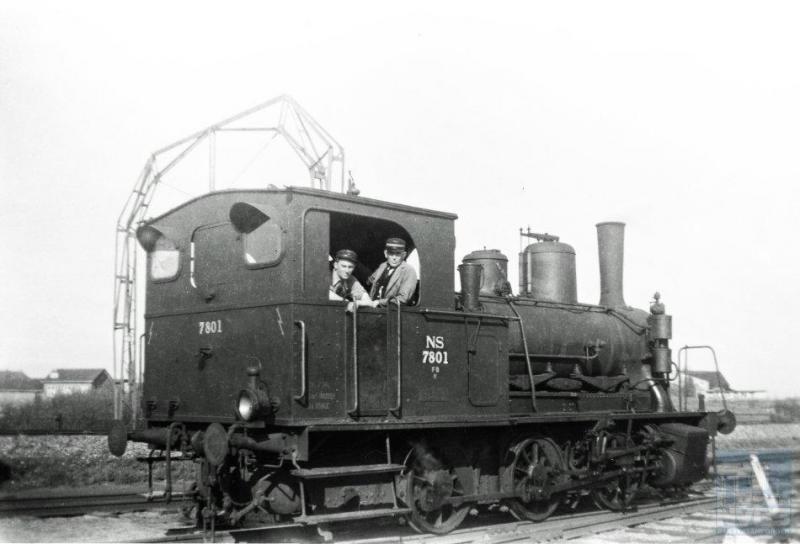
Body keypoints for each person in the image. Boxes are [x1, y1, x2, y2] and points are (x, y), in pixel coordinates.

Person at [368, 238, 418, 306]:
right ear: (386, 254)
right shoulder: (383, 266)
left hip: (392, 311)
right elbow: (370, 282)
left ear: (403, 255)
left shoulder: (409, 271)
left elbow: (403, 299)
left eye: (398, 254)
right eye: (391, 253)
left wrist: (379, 302)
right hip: (373, 308)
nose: (394, 258)